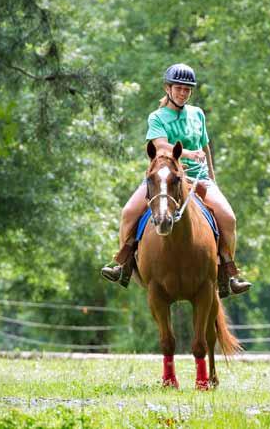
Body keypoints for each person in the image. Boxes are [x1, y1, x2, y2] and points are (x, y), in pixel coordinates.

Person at [100, 63, 251, 298]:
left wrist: (212, 178)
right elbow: (159, 145)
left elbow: (205, 146)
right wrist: (188, 154)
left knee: (228, 217)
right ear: (168, 88)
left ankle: (228, 272)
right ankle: (123, 263)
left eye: (187, 89)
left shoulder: (197, 114)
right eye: (179, 88)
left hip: (197, 177)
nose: (183, 93)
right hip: (164, 178)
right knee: (129, 212)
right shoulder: (157, 117)